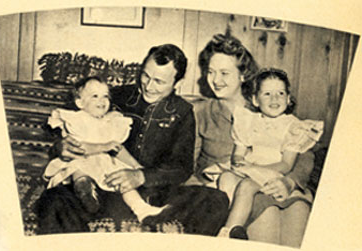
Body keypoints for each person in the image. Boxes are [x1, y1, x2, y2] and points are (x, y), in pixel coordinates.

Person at [36, 44, 229, 236]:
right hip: (104, 186)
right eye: (146, 76)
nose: (148, 86)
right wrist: (61, 146)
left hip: (153, 193)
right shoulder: (117, 96)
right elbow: (72, 121)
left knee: (216, 200)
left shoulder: (183, 113)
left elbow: (182, 167)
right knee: (52, 200)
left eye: (159, 81)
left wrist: (141, 176)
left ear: (177, 83)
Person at [192, 33, 316, 247]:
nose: (216, 80)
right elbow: (188, 166)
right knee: (266, 212)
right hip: (231, 191)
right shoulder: (201, 112)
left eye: (224, 73)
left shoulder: (266, 103)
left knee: (299, 210)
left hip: (278, 180)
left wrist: (289, 181)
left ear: (242, 75)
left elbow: (304, 153)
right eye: (210, 72)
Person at [215, 68, 323, 239]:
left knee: (247, 186)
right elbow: (238, 153)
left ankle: (229, 232)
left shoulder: (294, 127)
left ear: (288, 99)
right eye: (267, 94)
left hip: (274, 173)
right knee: (226, 178)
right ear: (255, 100)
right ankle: (231, 224)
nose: (274, 99)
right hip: (250, 169)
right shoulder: (248, 121)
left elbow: (287, 165)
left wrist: (256, 169)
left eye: (280, 93)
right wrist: (240, 163)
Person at [43, 76, 167, 221]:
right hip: (82, 160)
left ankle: (141, 209)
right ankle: (85, 191)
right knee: (79, 168)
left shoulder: (111, 122)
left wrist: (136, 166)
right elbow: (79, 148)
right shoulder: (77, 120)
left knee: (123, 180)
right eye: (95, 96)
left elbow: (118, 149)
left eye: (105, 96)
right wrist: (104, 146)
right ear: (80, 102)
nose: (101, 101)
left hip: (105, 165)